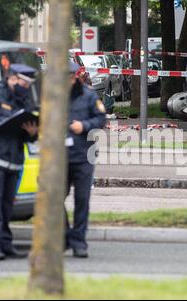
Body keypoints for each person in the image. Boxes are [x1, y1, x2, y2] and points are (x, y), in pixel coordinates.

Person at [0, 64, 39, 261]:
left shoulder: (24, 100)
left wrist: (32, 133)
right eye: (24, 82)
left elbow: (28, 135)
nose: (27, 87)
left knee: (6, 207)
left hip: (14, 162)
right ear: (13, 78)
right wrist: (13, 120)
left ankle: (5, 244)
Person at [65, 62, 106, 258]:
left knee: (82, 200)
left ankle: (79, 241)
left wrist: (84, 125)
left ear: (75, 76)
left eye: (70, 76)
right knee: (55, 200)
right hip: (59, 158)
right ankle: (65, 235)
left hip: (83, 156)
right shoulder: (52, 96)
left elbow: (101, 119)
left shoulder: (88, 95)